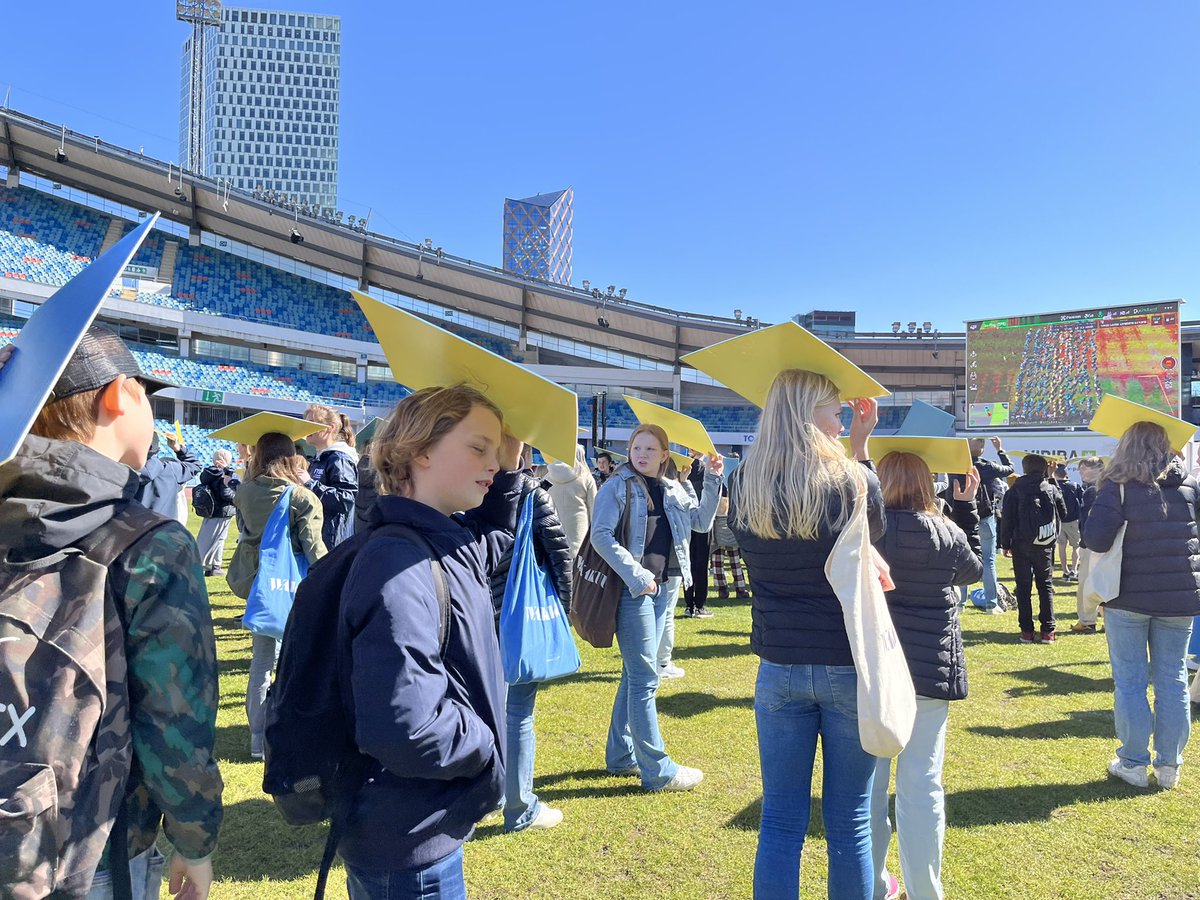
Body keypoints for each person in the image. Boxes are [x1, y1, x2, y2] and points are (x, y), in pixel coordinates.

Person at [0, 325, 221, 899]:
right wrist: (195, 840)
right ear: (120, 394)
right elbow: (175, 719)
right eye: (148, 396)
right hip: (97, 846)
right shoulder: (150, 544)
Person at [335, 384, 532, 898]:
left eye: (498, 450)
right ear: (421, 450)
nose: (493, 462)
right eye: (478, 447)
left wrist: (507, 467)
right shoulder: (400, 565)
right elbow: (409, 727)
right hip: (407, 843)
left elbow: (496, 536)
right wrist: (488, 743)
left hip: (423, 825)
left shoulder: (440, 540)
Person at [728, 369, 883, 900]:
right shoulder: (853, 480)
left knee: (780, 820)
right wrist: (861, 450)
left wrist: (854, 445)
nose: (842, 420)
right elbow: (874, 535)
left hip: (780, 666)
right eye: (835, 410)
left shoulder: (742, 479)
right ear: (807, 413)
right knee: (850, 822)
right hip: (845, 662)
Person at [870, 453, 983, 900]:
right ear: (925, 483)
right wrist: (966, 508)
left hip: (875, 674)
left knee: (872, 787)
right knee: (922, 785)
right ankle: (925, 891)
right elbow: (974, 571)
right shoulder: (945, 530)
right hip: (929, 673)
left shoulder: (867, 531)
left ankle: (875, 885)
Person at [590, 423, 722, 791]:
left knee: (635, 675)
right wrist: (636, 575)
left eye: (650, 449)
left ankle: (620, 755)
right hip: (636, 593)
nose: (642, 454)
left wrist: (712, 479)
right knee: (646, 678)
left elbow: (701, 522)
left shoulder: (672, 487)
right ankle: (658, 770)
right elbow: (600, 536)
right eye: (637, 448)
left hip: (663, 589)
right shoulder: (617, 485)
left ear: (665, 455)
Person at [1083, 422, 1199, 789]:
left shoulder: (1116, 487)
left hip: (1127, 596)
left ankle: (1133, 762)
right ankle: (1169, 766)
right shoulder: (1190, 485)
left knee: (1131, 682)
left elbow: (1096, 541)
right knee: (1174, 680)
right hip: (1180, 596)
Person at [487, 444, 573, 833]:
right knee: (518, 713)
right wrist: (562, 612)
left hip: (475, 615)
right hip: (519, 619)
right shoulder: (532, 494)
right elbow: (560, 556)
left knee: (480, 711)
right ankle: (519, 807)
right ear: (520, 449)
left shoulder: (465, 489)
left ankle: (486, 797)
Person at [227, 432, 327, 759]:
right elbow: (314, 548)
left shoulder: (244, 492)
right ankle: (286, 733)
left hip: (259, 586)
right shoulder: (301, 497)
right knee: (295, 662)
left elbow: (244, 532)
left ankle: (258, 738)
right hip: (292, 587)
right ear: (290, 456)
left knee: (261, 663)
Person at [999, 453, 1067, 643]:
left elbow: (1007, 520)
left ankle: (1027, 632)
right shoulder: (1051, 488)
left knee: (1023, 587)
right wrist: (1052, 479)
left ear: (1024, 468)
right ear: (1045, 469)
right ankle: (1048, 631)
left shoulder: (1014, 490)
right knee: (1045, 586)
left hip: (1020, 543)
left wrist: (1005, 544)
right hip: (1044, 543)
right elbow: (1064, 512)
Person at [957, 437, 1013, 609]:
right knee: (988, 560)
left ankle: (960, 602)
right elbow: (1010, 469)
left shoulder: (956, 466)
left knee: (961, 558)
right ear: (982, 449)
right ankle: (991, 604)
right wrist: (1000, 450)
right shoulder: (986, 466)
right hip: (985, 515)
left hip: (962, 515)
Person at [303, 403, 360, 548]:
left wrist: (310, 484)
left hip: (332, 543)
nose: (306, 427)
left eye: (312, 423)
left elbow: (345, 499)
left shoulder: (339, 458)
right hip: (317, 538)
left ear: (331, 428)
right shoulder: (321, 459)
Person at [544, 443, 597, 564]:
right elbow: (595, 510)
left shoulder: (547, 477)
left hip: (552, 534)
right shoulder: (586, 478)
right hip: (579, 535)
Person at [134, 431, 202, 519]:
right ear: (158, 449)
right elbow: (195, 465)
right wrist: (178, 449)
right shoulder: (171, 469)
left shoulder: (125, 470)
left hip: (134, 528)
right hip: (163, 528)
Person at [1071, 457, 1105, 634]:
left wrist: (1084, 542)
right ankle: (1107, 620)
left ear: (1099, 469)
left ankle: (1086, 621)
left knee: (1086, 584)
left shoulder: (1092, 491)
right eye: (1080, 469)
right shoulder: (1110, 487)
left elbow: (1087, 521)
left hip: (1091, 544)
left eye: (1084, 469)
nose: (1081, 473)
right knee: (1106, 584)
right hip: (1106, 544)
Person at [195, 449, 239, 576]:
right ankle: (198, 565)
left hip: (211, 510)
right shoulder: (225, 474)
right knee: (212, 539)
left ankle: (215, 566)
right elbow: (226, 494)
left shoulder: (209, 473)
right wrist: (237, 497)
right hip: (223, 510)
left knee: (218, 539)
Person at [682, 449, 715, 618]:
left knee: (687, 563)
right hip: (702, 518)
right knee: (701, 564)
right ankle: (700, 605)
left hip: (686, 520)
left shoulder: (682, 467)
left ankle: (689, 605)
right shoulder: (704, 469)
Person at [709, 486, 751, 600]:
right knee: (735, 562)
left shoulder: (714, 492)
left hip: (718, 528)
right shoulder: (736, 493)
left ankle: (722, 589)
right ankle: (740, 588)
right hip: (730, 528)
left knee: (718, 563)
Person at [1054, 463, 1083, 581]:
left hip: (1059, 521)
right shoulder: (1074, 486)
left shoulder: (1053, 486)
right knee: (1076, 546)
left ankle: (1065, 571)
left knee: (1061, 546)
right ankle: (1074, 570)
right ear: (1067, 474)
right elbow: (1082, 502)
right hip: (1073, 520)